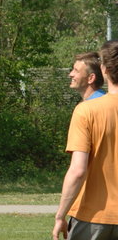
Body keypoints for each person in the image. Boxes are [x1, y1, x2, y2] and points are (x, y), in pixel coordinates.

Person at [53, 40, 118, 240]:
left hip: (92, 217)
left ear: (103, 70)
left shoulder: (87, 110)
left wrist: (60, 216)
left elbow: (78, 170)